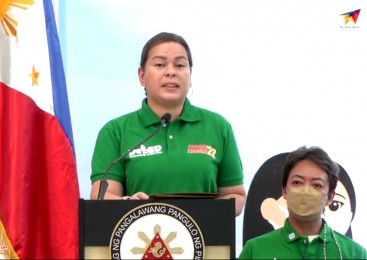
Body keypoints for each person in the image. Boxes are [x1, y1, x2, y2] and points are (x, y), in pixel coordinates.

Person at [90, 32, 246, 215]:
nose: (171, 72)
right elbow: (102, 196)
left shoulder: (218, 126)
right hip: (140, 241)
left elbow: (236, 196)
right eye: (160, 64)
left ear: (190, 74)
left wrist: (203, 214)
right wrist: (129, 204)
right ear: (142, 76)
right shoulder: (116, 131)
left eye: (180, 65)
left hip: (204, 241)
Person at [239, 146, 367, 259]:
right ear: (284, 190)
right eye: (297, 182)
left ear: (330, 197)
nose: (306, 191)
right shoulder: (255, 250)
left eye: (317, 185)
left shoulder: (355, 254)